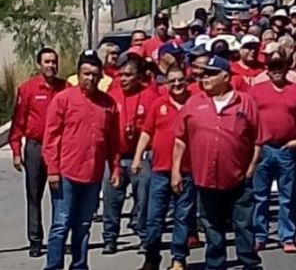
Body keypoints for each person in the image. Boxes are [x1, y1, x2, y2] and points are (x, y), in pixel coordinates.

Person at [173, 56, 263, 270]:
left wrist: (250, 168)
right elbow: (180, 138)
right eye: (203, 73)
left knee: (243, 224)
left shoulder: (245, 101)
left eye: (211, 73)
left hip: (238, 178)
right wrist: (176, 170)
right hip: (205, 178)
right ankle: (215, 264)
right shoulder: (194, 102)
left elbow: (258, 139)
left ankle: (250, 263)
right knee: (211, 226)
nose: (205, 78)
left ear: (225, 76)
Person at [42, 50, 121, 270]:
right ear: (78, 75)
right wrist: (53, 170)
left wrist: (115, 169)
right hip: (66, 174)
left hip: (93, 176)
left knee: (83, 225)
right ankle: (53, 266)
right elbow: (51, 138)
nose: (91, 79)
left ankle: (79, 265)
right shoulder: (63, 100)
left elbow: (113, 141)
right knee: (61, 224)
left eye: (95, 74)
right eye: (86, 74)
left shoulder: (108, 104)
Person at [250, 49, 296, 253]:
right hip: (263, 148)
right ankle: (260, 235)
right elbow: (247, 117)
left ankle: (287, 236)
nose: (277, 70)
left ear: (287, 68)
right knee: (260, 195)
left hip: (287, 148)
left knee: (288, 195)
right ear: (267, 70)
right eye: (273, 67)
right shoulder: (256, 90)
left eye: (280, 66)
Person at [133, 66, 196, 270]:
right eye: (172, 81)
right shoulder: (158, 104)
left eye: (180, 80)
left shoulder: (194, 103)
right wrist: (137, 158)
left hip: (187, 171)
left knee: (182, 217)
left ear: (186, 81)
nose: (176, 84)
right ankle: (151, 258)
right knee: (154, 218)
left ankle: (178, 259)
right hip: (160, 170)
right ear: (166, 84)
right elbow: (147, 132)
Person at [10, 48, 67, 258]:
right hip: (35, 147)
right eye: (47, 62)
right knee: (34, 196)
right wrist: (16, 150)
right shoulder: (28, 89)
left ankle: (57, 239)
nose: (51, 65)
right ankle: (35, 240)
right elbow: (18, 123)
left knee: (60, 197)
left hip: (58, 149)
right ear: (38, 64)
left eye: (54, 62)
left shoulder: (65, 88)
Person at [103, 55, 159, 253]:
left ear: (139, 77)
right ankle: (110, 238)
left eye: (129, 75)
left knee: (143, 196)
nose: (124, 79)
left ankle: (144, 236)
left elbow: (154, 129)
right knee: (111, 198)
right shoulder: (112, 95)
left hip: (140, 156)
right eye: (121, 75)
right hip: (116, 156)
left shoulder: (150, 96)